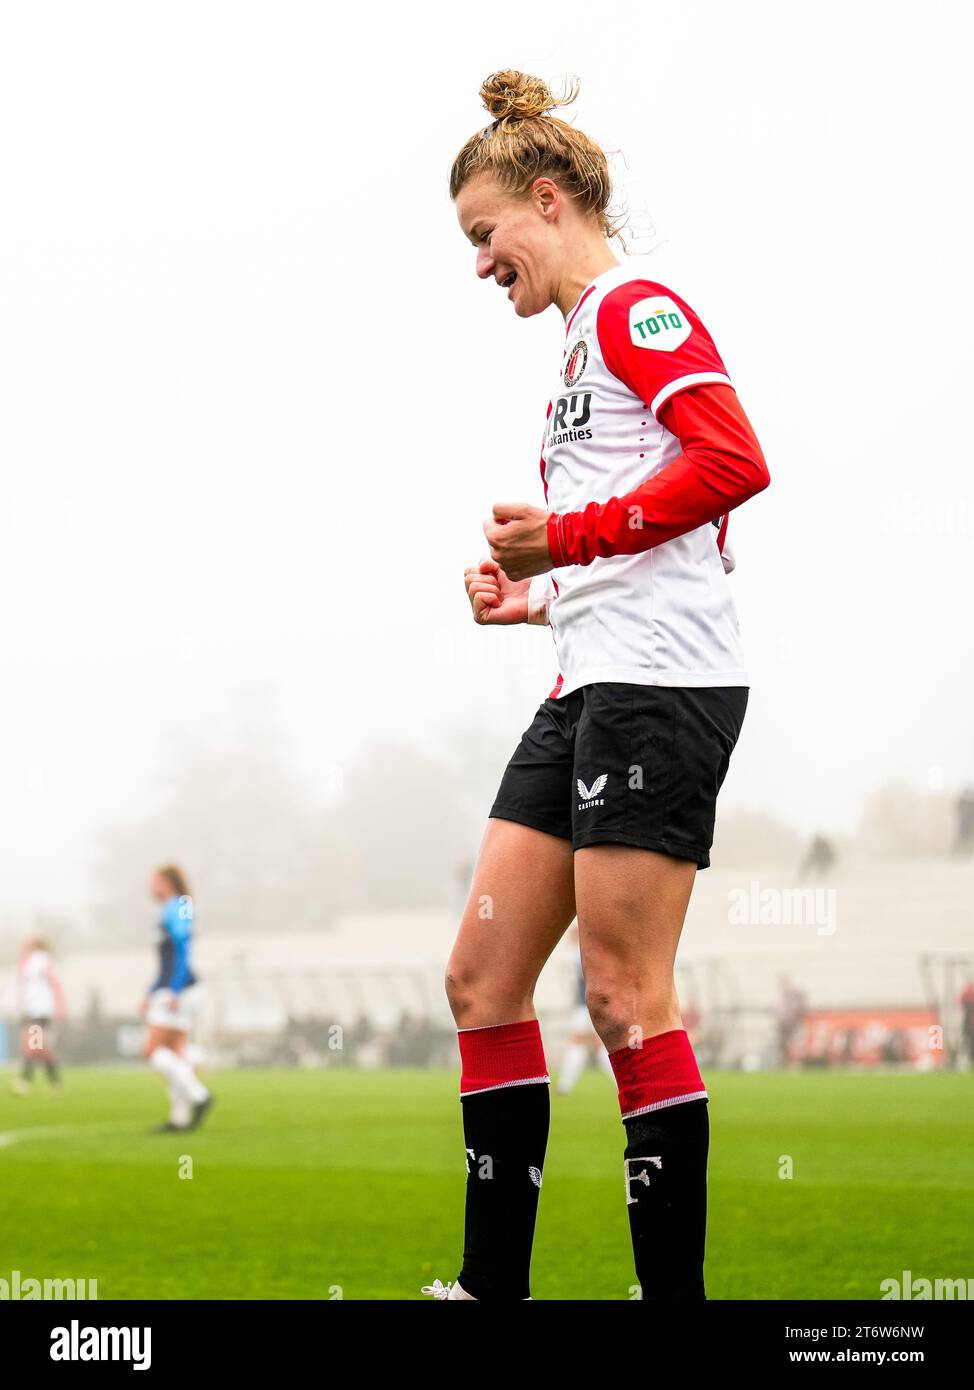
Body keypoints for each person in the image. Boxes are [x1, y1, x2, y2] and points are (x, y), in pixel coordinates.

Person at [425, 71, 769, 1302]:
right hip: (587, 679)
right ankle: (488, 1289)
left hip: (660, 690)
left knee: (625, 995)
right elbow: (647, 534)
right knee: (477, 977)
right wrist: (538, 592)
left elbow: (734, 464)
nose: (478, 266)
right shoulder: (576, 341)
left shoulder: (637, 308)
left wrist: (563, 541)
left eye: (484, 235)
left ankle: (667, 1301)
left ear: (547, 198)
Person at [141, 865, 212, 1132]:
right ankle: (178, 1118)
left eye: (154, 882)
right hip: (174, 988)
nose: (151, 889)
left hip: (181, 990)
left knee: (152, 1051)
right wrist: (150, 992)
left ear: (166, 883)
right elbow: (165, 960)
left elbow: (183, 949)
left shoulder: (180, 905)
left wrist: (175, 989)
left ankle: (200, 1096)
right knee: (173, 1052)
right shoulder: (171, 908)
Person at [11, 937, 66, 1094]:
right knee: (37, 1047)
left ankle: (24, 1081)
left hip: (39, 1009)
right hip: (32, 1009)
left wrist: (60, 1005)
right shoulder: (33, 960)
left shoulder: (39, 959)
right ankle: (54, 1082)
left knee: (33, 1047)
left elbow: (52, 981)